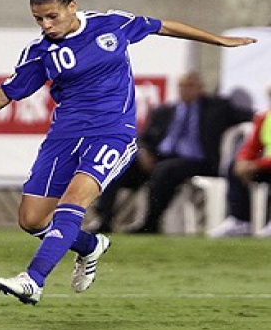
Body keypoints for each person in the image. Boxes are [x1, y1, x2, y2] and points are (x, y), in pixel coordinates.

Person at [0, 0, 257, 304]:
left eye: (52, 16)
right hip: (63, 137)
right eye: (39, 19)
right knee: (32, 220)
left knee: (74, 201)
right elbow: (1, 95)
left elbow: (163, 26)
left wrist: (219, 41)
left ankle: (33, 280)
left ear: (72, 6)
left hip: (113, 132)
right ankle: (88, 246)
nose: (47, 25)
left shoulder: (111, 24)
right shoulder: (40, 53)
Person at [92, 73, 254, 234]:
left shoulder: (217, 108)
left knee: (166, 170)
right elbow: (144, 138)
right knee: (116, 168)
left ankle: (150, 224)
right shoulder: (164, 111)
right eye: (182, 86)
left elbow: (249, 116)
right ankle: (104, 220)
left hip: (197, 161)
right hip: (159, 158)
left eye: (190, 86)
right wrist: (143, 152)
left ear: (200, 88)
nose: (185, 90)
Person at [209, 109, 271, 237]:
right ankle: (240, 220)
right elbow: (252, 145)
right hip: (266, 166)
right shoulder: (265, 117)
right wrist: (243, 161)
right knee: (234, 168)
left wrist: (256, 164)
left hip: (265, 164)